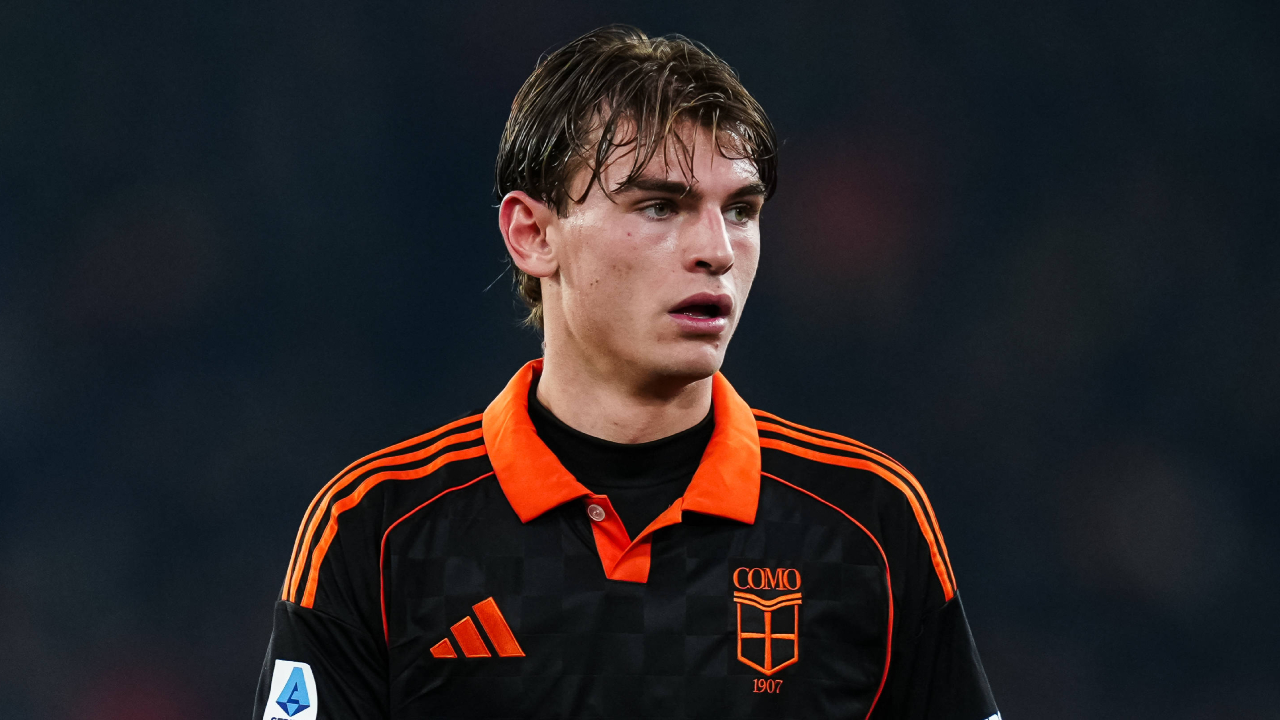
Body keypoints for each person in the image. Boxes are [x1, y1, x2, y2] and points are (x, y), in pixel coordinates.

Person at [254, 24, 999, 720]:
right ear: (532, 234)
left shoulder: (868, 525)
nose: (717, 250)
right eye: (660, 206)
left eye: (741, 210)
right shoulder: (378, 531)